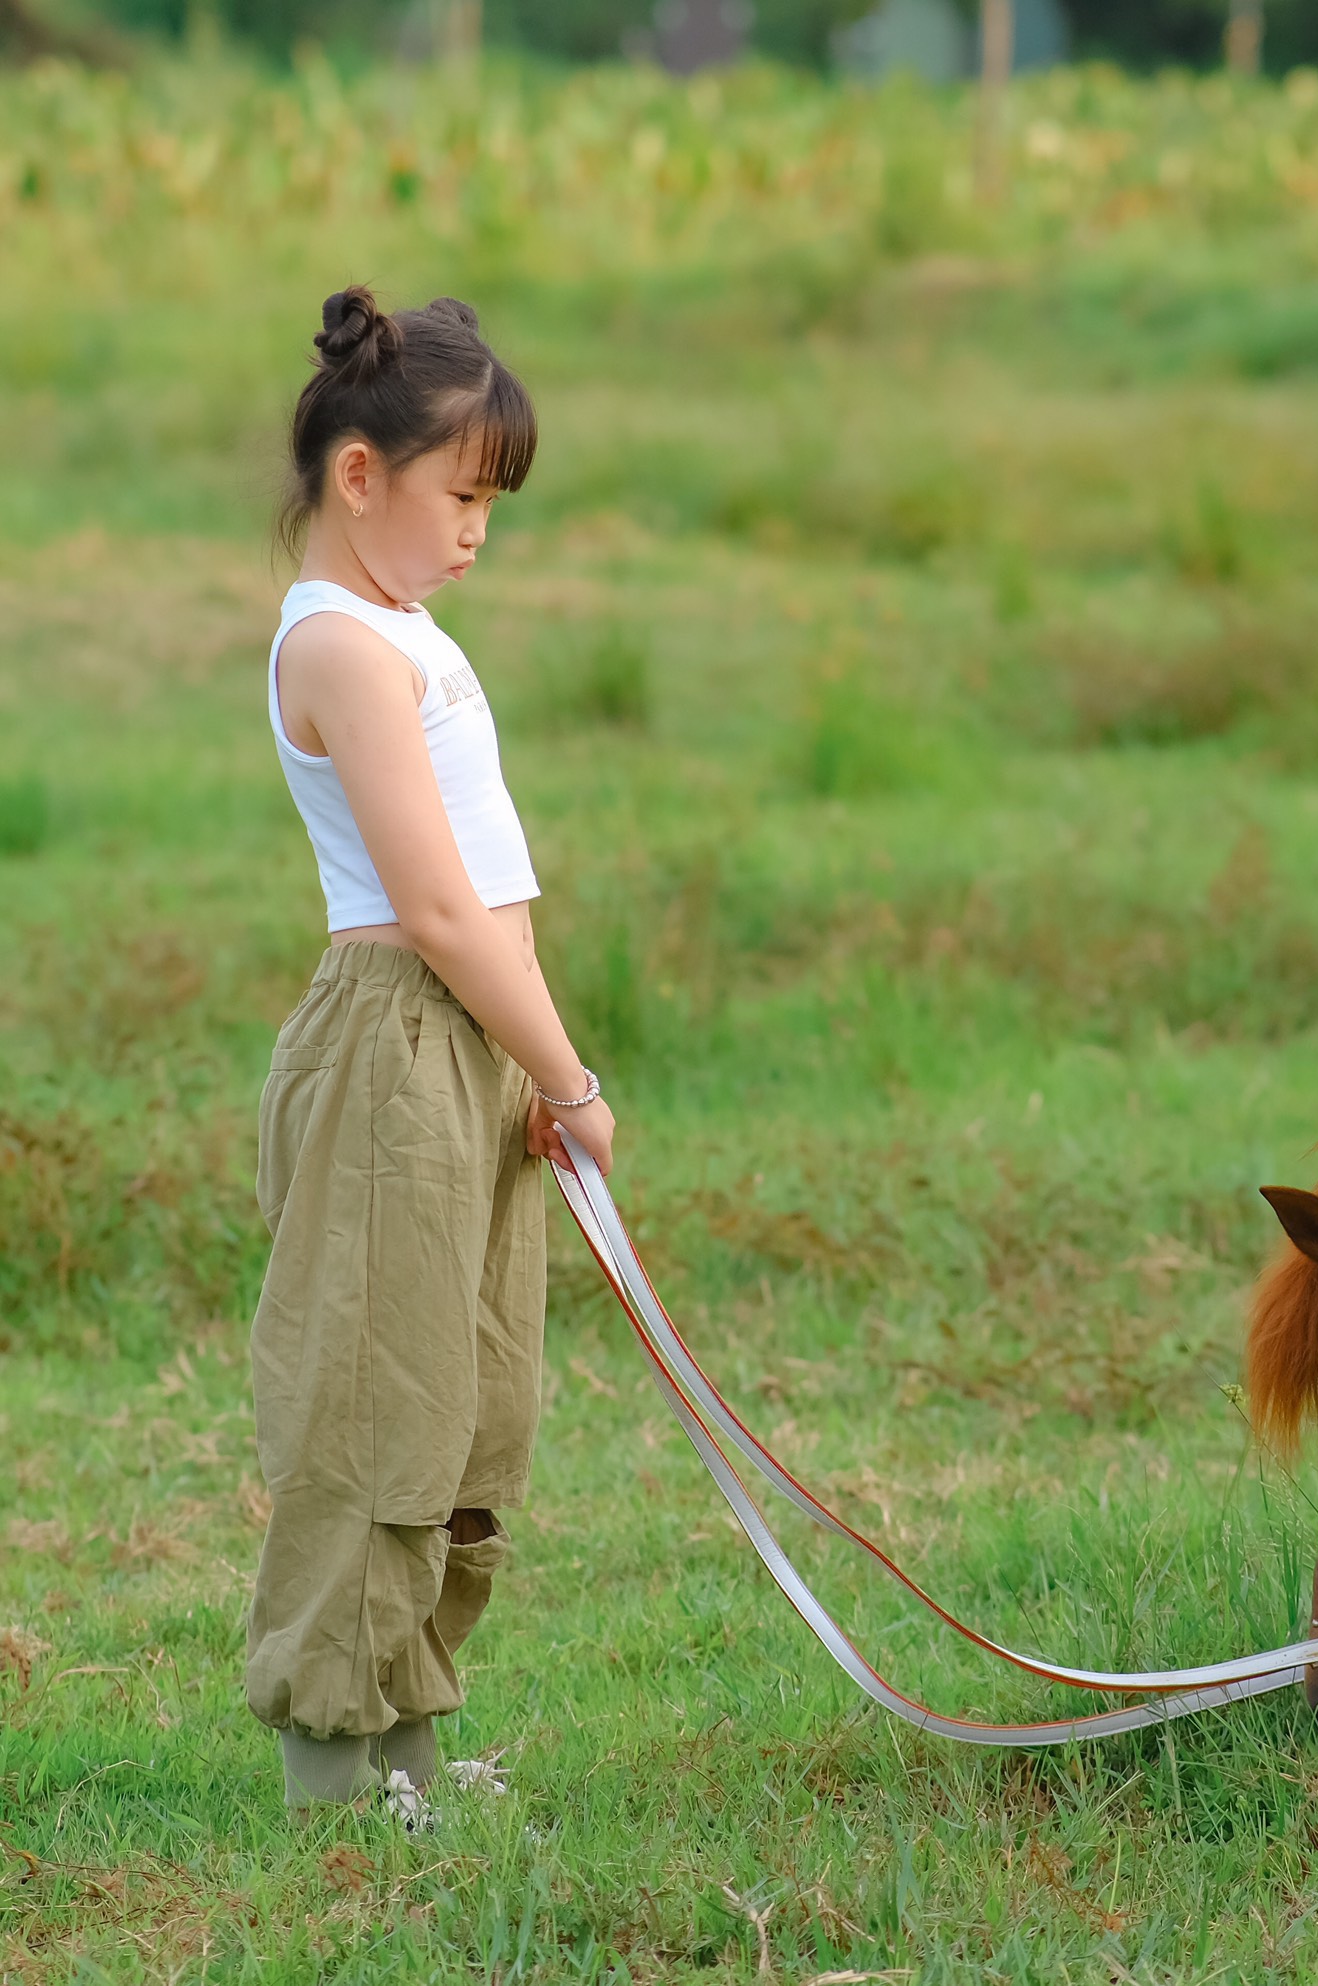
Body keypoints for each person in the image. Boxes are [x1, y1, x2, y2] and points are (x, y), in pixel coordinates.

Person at [247, 286, 615, 1811]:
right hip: (401, 1048)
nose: (476, 530)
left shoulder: (406, 626)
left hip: (471, 1054)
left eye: (490, 505)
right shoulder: (339, 648)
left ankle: (408, 1735)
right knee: (373, 1403)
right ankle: (329, 1770)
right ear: (359, 476)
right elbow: (444, 912)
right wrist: (580, 1080)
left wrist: (524, 1066)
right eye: (461, 495)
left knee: (470, 1400)